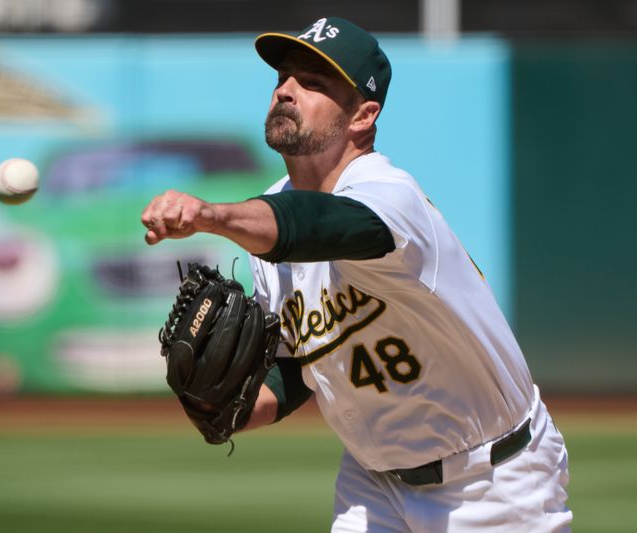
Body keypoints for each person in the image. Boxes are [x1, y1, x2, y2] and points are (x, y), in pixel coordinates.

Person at [141, 16, 571, 532]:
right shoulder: (272, 217)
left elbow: (325, 226)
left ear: (363, 116)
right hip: (373, 486)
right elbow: (302, 362)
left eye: (314, 83)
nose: (286, 90)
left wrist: (213, 215)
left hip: (493, 481)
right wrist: (229, 406)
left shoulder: (389, 194)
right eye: (284, 77)